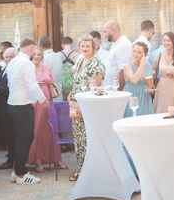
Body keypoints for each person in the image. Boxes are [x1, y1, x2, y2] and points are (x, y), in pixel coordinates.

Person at [6, 38, 47, 185]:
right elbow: (32, 85)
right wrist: (43, 100)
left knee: (19, 139)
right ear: (31, 48)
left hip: (12, 104)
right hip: (22, 105)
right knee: (26, 138)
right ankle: (21, 174)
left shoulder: (13, 62)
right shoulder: (26, 63)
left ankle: (17, 170)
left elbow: (10, 83)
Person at [67, 34, 105, 181]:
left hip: (89, 106)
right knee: (79, 139)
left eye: (88, 46)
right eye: (82, 46)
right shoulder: (80, 60)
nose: (85, 48)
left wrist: (86, 106)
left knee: (89, 138)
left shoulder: (97, 64)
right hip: (76, 104)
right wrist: (71, 93)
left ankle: (92, 171)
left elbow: (98, 88)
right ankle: (82, 170)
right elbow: (77, 80)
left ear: (94, 47)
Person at [27, 46, 65, 173]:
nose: (37, 56)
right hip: (36, 103)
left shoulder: (46, 68)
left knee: (51, 129)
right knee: (37, 130)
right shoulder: (28, 69)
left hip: (48, 101)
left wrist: (49, 83)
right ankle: (37, 160)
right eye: (35, 54)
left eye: (39, 54)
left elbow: (52, 82)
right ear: (31, 56)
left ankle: (56, 159)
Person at [0, 47, 16, 169]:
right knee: (8, 134)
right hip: (2, 108)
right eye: (6, 57)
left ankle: (12, 160)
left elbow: (11, 87)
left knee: (11, 135)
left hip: (9, 107)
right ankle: (11, 158)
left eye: (10, 57)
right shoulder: (6, 67)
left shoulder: (14, 69)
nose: (7, 59)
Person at [153, 32, 174, 113]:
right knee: (162, 111)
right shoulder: (158, 56)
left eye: (169, 40)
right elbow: (153, 72)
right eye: (164, 40)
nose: (166, 43)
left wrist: (173, 75)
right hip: (162, 87)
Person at [122, 42, 154, 117]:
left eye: (139, 52)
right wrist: (142, 64)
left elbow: (151, 86)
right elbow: (134, 80)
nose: (135, 54)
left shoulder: (148, 66)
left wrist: (151, 90)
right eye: (134, 51)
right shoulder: (127, 66)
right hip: (132, 99)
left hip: (145, 99)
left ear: (144, 55)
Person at [103, 21, 133, 90]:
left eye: (105, 31)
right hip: (112, 88)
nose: (104, 35)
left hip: (119, 90)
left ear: (113, 30)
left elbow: (123, 70)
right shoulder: (115, 44)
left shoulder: (123, 44)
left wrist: (119, 91)